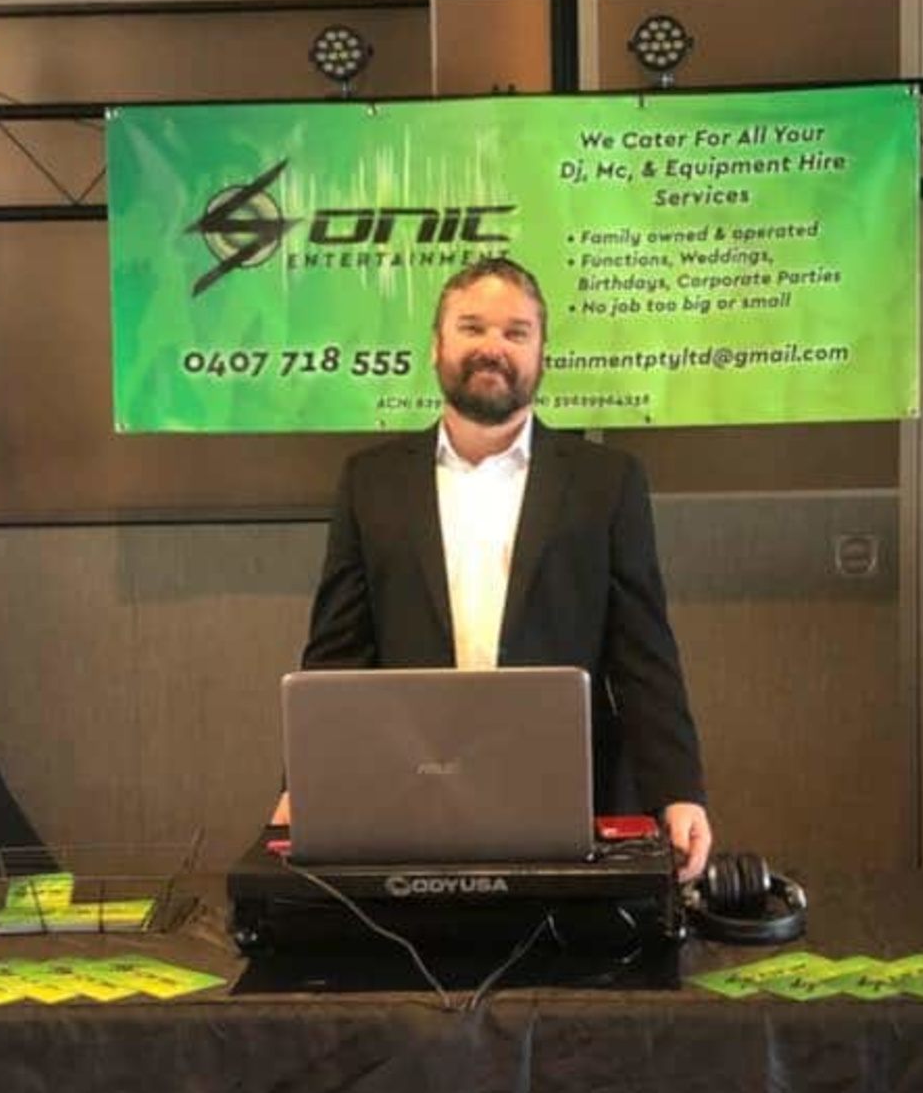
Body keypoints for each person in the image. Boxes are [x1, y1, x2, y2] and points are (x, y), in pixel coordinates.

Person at [289, 255, 714, 883]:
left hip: (569, 796)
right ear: (436, 346)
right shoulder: (370, 482)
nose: (493, 347)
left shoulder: (607, 482)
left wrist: (678, 791)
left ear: (542, 354)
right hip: (410, 794)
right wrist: (304, 785)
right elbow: (336, 657)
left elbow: (643, 653)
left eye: (516, 332)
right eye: (471, 327)